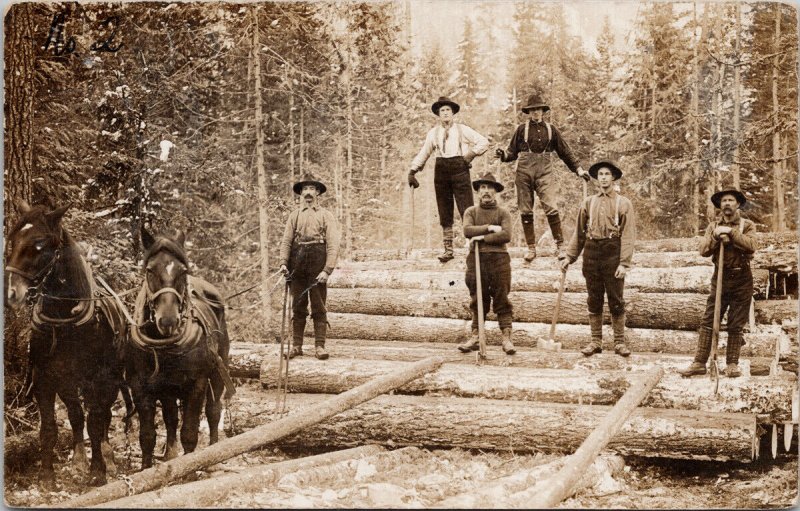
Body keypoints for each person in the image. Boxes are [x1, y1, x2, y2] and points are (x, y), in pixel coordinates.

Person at [495, 94, 589, 262]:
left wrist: (579, 170)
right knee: (525, 209)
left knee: (551, 207)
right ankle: (531, 248)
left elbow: (565, 152)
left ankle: (560, 246)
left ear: (543, 111)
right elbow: (511, 153)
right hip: (523, 172)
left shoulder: (551, 130)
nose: (536, 113)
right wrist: (503, 155)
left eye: (538, 109)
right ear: (528, 112)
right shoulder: (521, 130)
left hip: (545, 172)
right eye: (533, 110)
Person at [561, 160, 636, 357]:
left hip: (613, 250)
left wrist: (624, 263)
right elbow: (579, 233)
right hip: (592, 251)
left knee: (616, 298)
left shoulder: (623, 203)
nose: (603, 177)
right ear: (597, 178)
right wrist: (570, 256)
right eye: (600, 174)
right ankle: (596, 341)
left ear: (613, 178)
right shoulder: (588, 202)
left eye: (607, 174)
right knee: (593, 298)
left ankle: (619, 342)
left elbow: (628, 235)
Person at [679, 189, 756, 378]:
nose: (727, 204)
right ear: (720, 206)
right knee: (708, 320)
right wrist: (715, 236)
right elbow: (703, 250)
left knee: (735, 324)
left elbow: (751, 246)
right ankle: (699, 362)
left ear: (738, 204)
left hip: (742, 278)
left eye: (731, 200)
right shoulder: (712, 225)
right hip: (720, 277)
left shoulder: (747, 225)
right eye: (724, 201)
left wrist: (731, 232)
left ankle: (731, 364)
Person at [408, 96, 489, 262]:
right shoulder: (433, 133)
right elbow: (424, 152)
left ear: (453, 113)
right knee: (444, 210)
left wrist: (469, 156)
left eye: (448, 110)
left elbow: (483, 142)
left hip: (460, 169)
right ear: (438, 114)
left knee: (466, 208)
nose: (445, 113)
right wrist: (413, 170)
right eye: (442, 111)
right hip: (441, 172)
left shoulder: (462, 129)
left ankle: (474, 246)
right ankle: (448, 249)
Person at [279, 174, 341, 360]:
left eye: (312, 189)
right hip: (296, 263)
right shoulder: (294, 216)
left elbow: (333, 244)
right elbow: (286, 241)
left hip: (317, 262)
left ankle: (319, 346)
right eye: (305, 189)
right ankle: (297, 346)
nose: (308, 193)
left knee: (318, 306)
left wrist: (327, 270)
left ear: (318, 193)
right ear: (300, 194)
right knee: (298, 306)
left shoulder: (325, 215)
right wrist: (283, 263)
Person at [459, 173, 516, 355]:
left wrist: (481, 237)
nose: (486, 191)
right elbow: (467, 230)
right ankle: (476, 336)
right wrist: (490, 228)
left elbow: (506, 235)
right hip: (477, 259)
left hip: (499, 259)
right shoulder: (471, 212)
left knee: (502, 299)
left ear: (495, 192)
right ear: (478, 191)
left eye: (490, 188)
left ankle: (506, 338)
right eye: (483, 187)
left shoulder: (503, 213)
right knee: (478, 298)